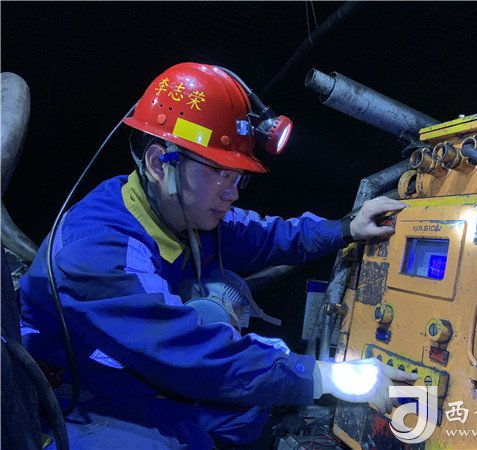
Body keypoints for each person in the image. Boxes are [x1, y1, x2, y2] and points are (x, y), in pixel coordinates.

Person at [19, 62, 414, 449]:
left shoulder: (173, 209)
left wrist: (345, 228)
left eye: (238, 177)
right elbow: (191, 353)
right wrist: (326, 377)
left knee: (249, 406)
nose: (233, 192)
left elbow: (263, 234)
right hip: (71, 396)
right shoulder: (96, 253)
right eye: (220, 173)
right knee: (175, 439)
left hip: (133, 367)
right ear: (159, 163)